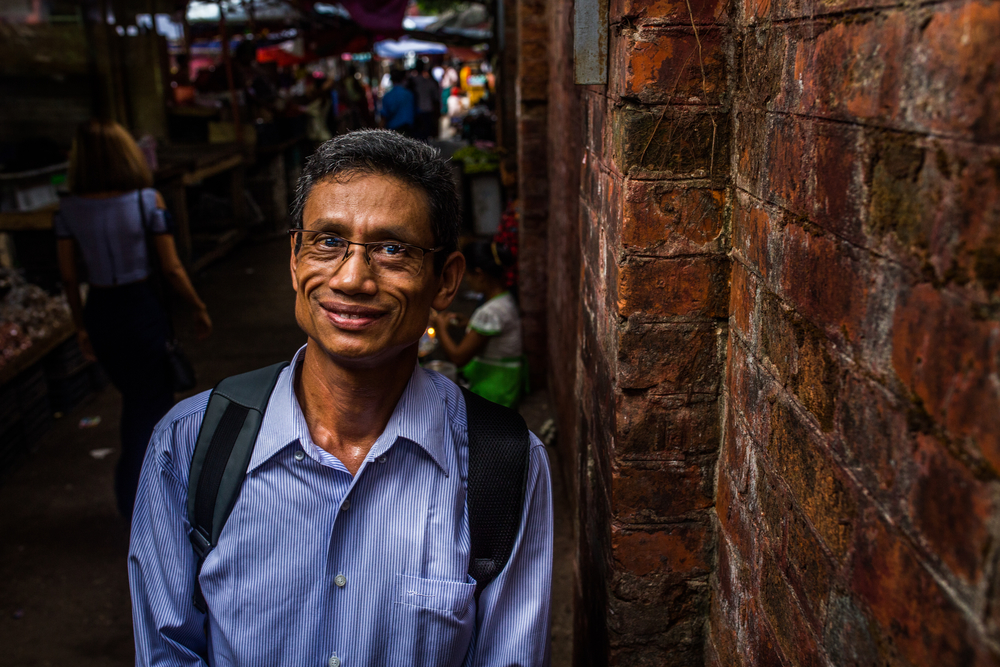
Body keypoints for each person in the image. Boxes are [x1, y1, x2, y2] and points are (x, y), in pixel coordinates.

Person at [128, 130, 553, 666]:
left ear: (445, 281)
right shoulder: (189, 446)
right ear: (294, 260)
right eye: (327, 241)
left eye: (392, 249)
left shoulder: (503, 465)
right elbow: (166, 653)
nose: (351, 278)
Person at [55, 119, 212, 521]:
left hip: (101, 311)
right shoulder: (147, 202)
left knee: (136, 399)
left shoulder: (68, 210)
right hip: (139, 307)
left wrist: (81, 326)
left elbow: (70, 277)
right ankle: (140, 498)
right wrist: (197, 306)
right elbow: (172, 268)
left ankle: (142, 496)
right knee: (150, 408)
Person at [432, 241, 526, 409]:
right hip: (508, 380)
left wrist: (440, 328)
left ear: (479, 274)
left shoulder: (490, 312)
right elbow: (495, 330)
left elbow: (458, 358)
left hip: (494, 389)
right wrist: (469, 324)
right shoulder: (505, 299)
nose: (466, 280)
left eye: (467, 274)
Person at [379, 68, 415, 136]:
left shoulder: (387, 96)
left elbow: (384, 116)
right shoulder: (409, 94)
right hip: (408, 130)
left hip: (393, 131)